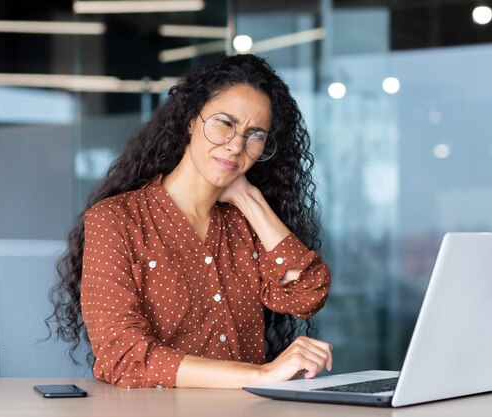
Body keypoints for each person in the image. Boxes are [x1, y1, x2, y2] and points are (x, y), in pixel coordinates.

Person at [48, 54, 332, 389]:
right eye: (225, 123)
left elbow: (305, 295)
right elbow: (122, 356)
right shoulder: (116, 221)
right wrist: (262, 375)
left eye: (254, 135)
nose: (237, 145)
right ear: (190, 120)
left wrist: (249, 199)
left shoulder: (245, 223)